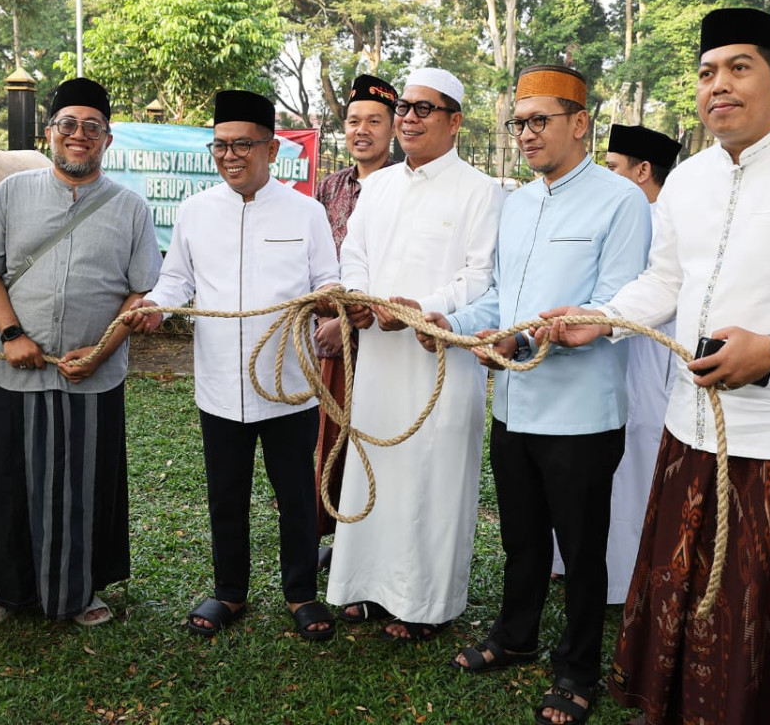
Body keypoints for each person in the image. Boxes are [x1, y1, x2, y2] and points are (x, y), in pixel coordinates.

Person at [539, 8, 770, 725]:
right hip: (691, 431)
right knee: (678, 598)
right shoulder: (691, 180)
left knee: (755, 613)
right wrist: (601, 318)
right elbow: (665, 284)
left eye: (739, 67)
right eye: (708, 72)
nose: (719, 85)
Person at [420, 66, 650, 724]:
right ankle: (515, 636)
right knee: (522, 537)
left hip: (581, 414)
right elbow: (497, 299)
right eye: (518, 122)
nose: (525, 133)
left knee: (581, 550)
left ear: (580, 123)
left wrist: (568, 327)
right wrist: (452, 325)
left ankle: (578, 669)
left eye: (539, 120)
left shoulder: (620, 201)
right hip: (514, 405)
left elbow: (621, 303)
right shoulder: (516, 204)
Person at [125, 90, 341, 641]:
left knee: (294, 493)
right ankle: (229, 592)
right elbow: (177, 281)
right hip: (220, 386)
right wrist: (155, 304)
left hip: (290, 383)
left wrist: (330, 302)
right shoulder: (197, 211)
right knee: (226, 494)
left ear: (272, 149)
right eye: (220, 145)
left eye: (242, 144)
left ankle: (299, 593)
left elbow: (327, 281)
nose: (229, 156)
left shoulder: (306, 211)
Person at [0, 77, 163, 628]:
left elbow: (139, 289)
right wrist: (11, 335)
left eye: (92, 127)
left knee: (87, 483)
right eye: (69, 125)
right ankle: (8, 590)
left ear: (108, 139)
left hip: (94, 376)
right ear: (50, 132)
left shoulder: (129, 207)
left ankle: (83, 589)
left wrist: (102, 350)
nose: (79, 136)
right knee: (13, 482)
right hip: (17, 371)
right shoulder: (12, 195)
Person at [325, 67, 504, 641]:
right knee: (377, 464)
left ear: (454, 122)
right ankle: (367, 588)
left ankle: (424, 605)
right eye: (404, 107)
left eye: (424, 109)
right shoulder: (377, 186)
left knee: (431, 477)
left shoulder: (482, 191)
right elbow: (355, 252)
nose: (408, 118)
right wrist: (357, 298)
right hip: (377, 356)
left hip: (438, 360)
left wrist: (417, 308)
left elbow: (479, 278)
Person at [551, 124, 682, 604]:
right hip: (601, 341)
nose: (603, 178)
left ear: (643, 171)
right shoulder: (615, 212)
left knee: (635, 457)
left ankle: (625, 576)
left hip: (648, 353)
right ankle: (574, 559)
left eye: (612, 168)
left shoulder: (665, 220)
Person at [312, 73, 398, 562]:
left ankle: (370, 541)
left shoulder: (402, 187)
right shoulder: (330, 186)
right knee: (332, 439)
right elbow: (323, 261)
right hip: (332, 338)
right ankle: (340, 535)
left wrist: (349, 319)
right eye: (353, 121)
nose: (361, 130)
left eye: (374, 121)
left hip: (386, 335)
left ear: (392, 128)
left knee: (376, 437)